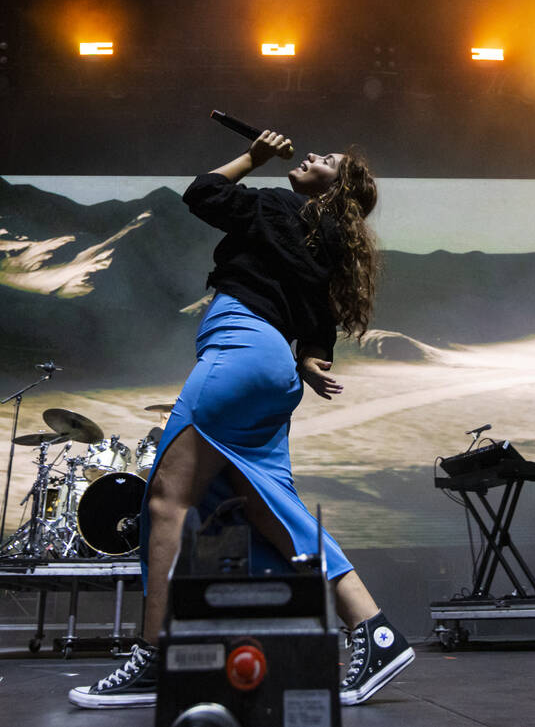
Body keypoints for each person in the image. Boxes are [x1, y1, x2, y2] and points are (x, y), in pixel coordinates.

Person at [69, 131, 414, 708]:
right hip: (273, 370)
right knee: (266, 507)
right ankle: (374, 630)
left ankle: (154, 658)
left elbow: (203, 194)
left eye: (326, 160)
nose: (310, 156)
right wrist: (305, 363)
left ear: (338, 188)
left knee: (166, 501)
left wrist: (255, 154)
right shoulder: (330, 246)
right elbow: (317, 337)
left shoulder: (284, 207)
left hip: (240, 348)